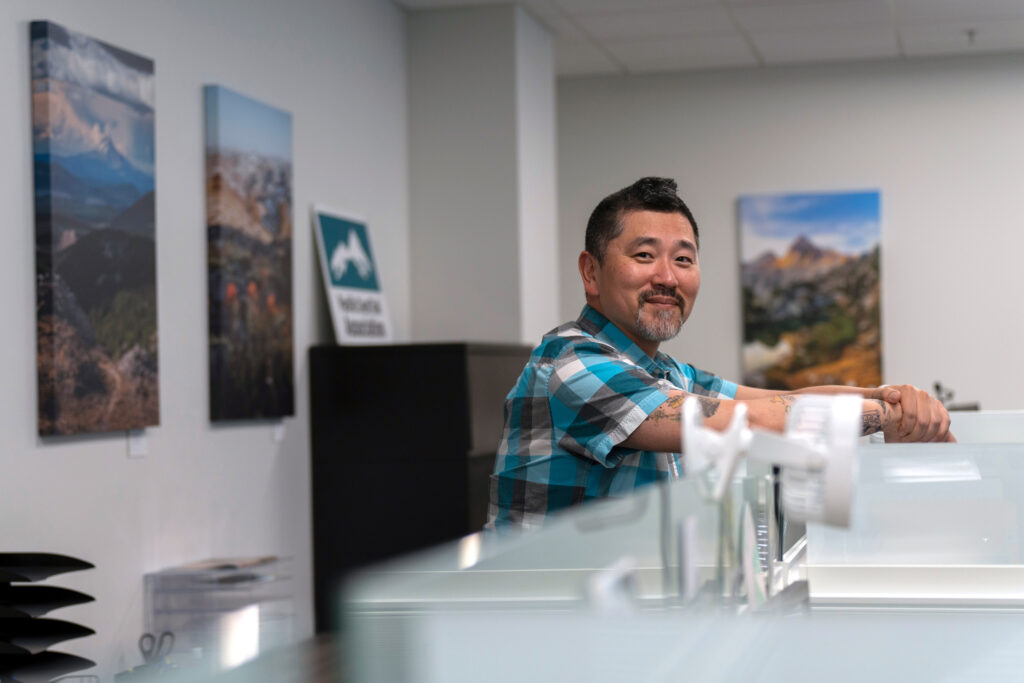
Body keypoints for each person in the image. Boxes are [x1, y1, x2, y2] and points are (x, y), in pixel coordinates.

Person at [486, 177, 952, 530]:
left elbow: (781, 397)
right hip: (541, 625)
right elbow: (751, 422)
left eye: (683, 259)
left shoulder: (663, 373)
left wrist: (888, 396)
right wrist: (889, 417)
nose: (668, 276)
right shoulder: (574, 367)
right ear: (591, 273)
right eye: (645, 256)